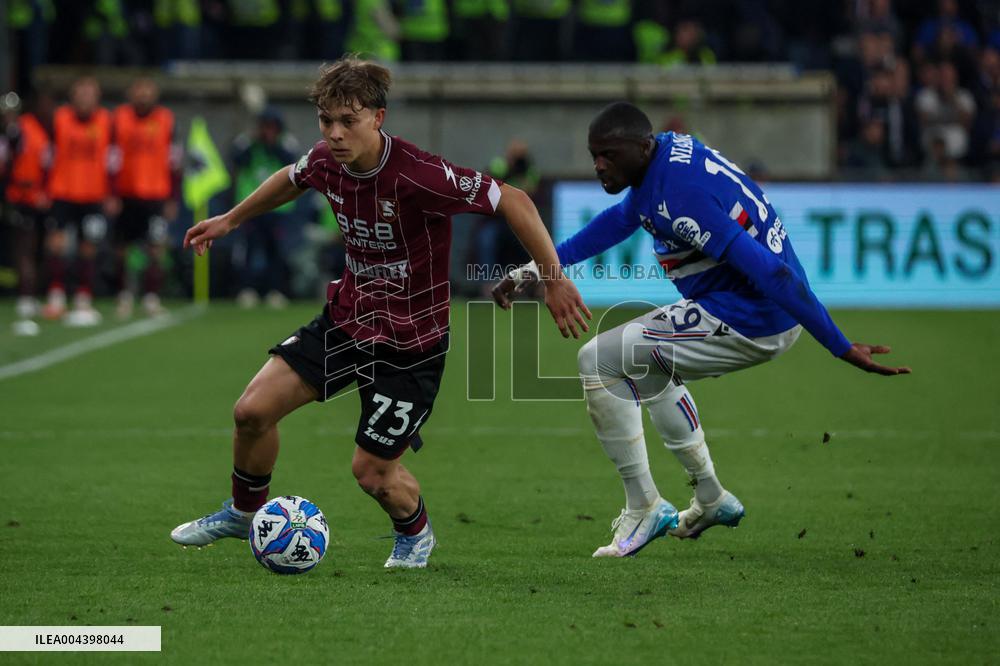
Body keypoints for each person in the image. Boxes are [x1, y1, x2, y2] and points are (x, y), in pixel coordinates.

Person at [170, 56, 590, 568]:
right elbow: (293, 176)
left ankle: (415, 533)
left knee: (371, 473)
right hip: (347, 322)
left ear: (378, 118)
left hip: (411, 346)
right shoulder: (327, 160)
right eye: (326, 121)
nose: (335, 134)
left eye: (348, 121)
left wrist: (552, 278)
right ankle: (243, 513)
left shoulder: (420, 175)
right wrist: (232, 219)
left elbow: (515, 199)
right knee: (251, 413)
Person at [493, 102, 910, 558]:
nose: (599, 165)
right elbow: (618, 221)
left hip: (749, 317)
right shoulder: (664, 158)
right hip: (740, 307)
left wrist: (839, 345)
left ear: (641, 147)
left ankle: (644, 505)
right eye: (595, 155)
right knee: (646, 367)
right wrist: (536, 268)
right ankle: (710, 497)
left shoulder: (682, 194)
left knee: (598, 359)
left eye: (608, 154)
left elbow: (771, 273)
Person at [43, 77, 115, 326]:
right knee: (56, 244)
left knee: (88, 247)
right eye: (80, 93)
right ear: (72, 97)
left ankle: (83, 296)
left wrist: (111, 193)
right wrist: (44, 188)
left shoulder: (106, 121)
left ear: (97, 98)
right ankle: (56, 294)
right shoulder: (59, 119)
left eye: (89, 93)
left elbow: (113, 159)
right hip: (62, 191)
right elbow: (47, 155)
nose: (85, 98)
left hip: (93, 194)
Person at [111, 78, 179, 318]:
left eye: (147, 91)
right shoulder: (119, 118)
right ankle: (124, 296)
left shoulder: (166, 119)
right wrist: (112, 193)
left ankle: (151, 297)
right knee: (122, 249)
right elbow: (111, 158)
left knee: (156, 248)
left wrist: (173, 197)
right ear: (131, 93)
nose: (143, 95)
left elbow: (174, 160)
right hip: (127, 194)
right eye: (139, 91)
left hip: (156, 194)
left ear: (155, 94)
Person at [230, 108, 299, 309]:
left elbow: (294, 163)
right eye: (265, 127)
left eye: (272, 127)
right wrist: (255, 141)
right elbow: (237, 159)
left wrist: (273, 144)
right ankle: (247, 289)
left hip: (278, 207)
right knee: (250, 248)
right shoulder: (249, 143)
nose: (268, 131)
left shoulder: (286, 144)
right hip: (251, 206)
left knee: (275, 251)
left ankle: (275, 290)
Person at [2, 90, 53, 324]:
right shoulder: (23, 130)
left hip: (31, 197)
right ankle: (26, 296)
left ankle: (30, 295)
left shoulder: (31, 130)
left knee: (32, 248)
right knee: (25, 248)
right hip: (23, 197)